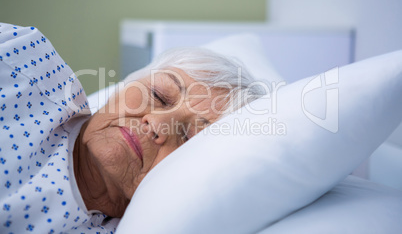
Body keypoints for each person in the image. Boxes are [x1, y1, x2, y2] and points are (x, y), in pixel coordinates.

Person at [0, 23, 262, 233]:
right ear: (128, 83)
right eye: (159, 95)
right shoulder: (20, 61)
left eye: (188, 137)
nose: (157, 124)